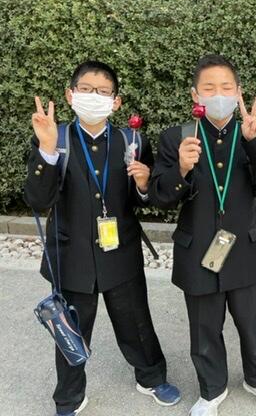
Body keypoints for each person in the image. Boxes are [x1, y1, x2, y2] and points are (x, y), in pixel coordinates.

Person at [24, 60, 180, 416]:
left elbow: (144, 198)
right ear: (71, 95)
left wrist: (144, 185)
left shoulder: (132, 140)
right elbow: (37, 199)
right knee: (70, 330)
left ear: (116, 101)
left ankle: (151, 377)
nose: (94, 96)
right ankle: (69, 397)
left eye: (103, 91)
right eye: (86, 89)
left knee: (136, 321)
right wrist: (46, 151)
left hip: (121, 251)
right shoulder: (55, 137)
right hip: (71, 254)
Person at [148, 54, 256, 416]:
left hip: (246, 248)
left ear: (238, 92)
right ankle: (212, 389)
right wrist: (181, 169)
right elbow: (160, 198)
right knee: (204, 329)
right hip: (198, 250)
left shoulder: (252, 133)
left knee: (250, 325)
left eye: (226, 87)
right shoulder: (177, 137)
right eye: (209, 88)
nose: (218, 95)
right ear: (194, 95)